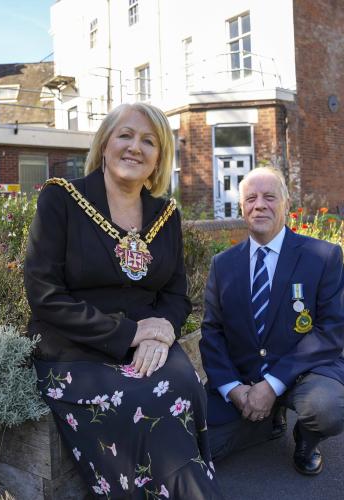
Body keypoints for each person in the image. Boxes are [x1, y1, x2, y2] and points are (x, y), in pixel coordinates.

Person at [24, 102, 223, 499]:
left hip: (149, 347)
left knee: (185, 384)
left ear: (158, 159)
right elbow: (45, 296)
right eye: (126, 135)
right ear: (104, 144)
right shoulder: (60, 199)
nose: (136, 147)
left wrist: (162, 331)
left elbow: (175, 294)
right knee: (139, 401)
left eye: (149, 141)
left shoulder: (166, 215)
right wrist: (131, 333)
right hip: (75, 350)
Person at [200, 165, 344, 475]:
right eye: (251, 198)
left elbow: (331, 330)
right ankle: (268, 421)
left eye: (270, 197)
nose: (259, 205)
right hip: (244, 378)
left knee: (326, 409)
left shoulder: (322, 256)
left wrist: (271, 385)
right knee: (200, 442)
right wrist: (233, 389)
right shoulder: (223, 265)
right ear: (243, 208)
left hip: (304, 373)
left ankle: (306, 438)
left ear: (286, 204)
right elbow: (212, 333)